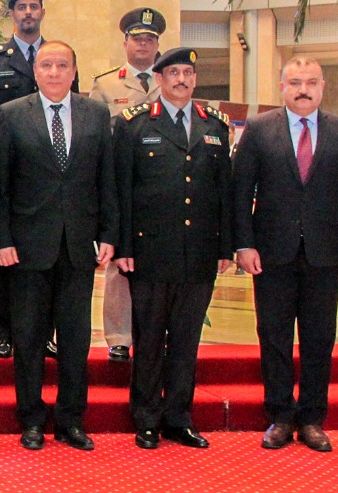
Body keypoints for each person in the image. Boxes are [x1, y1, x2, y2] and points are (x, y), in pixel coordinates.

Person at [231, 56, 338, 453]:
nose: (303, 88)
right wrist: (243, 244)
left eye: (310, 82)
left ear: (323, 86)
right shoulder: (259, 129)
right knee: (273, 337)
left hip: (326, 254)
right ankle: (279, 416)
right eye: (295, 82)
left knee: (318, 339)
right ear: (282, 87)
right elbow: (241, 191)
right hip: (271, 252)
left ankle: (311, 418)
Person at [0, 41, 116, 452]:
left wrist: (110, 235)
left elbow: (107, 181)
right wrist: (2, 239)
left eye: (63, 65)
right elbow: (0, 186)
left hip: (80, 247)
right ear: (36, 71)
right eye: (47, 65)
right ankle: (31, 419)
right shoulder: (12, 114)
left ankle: (71, 420)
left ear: (74, 70)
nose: (55, 72)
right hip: (27, 247)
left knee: (76, 339)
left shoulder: (95, 113)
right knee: (28, 338)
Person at [111, 47, 230, 450]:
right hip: (149, 251)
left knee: (185, 340)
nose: (181, 79)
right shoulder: (133, 124)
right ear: (159, 79)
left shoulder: (214, 125)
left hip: (198, 252)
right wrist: (123, 244)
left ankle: (179, 417)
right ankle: (145, 418)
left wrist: (225, 247)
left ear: (195, 79)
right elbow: (120, 192)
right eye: (173, 72)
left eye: (188, 73)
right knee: (148, 340)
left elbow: (223, 193)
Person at [0, 0, 72, 358]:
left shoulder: (58, 57)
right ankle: (4, 331)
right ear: (11, 14)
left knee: (47, 260)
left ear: (42, 11)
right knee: (5, 252)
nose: (28, 12)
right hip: (7, 169)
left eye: (34, 6)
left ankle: (44, 332)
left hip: (51, 173)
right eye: (21, 7)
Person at [90, 8, 168, 363]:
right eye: (137, 38)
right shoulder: (106, 85)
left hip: (162, 189)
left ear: (157, 45)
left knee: (160, 265)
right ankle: (120, 336)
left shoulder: (170, 79)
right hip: (122, 186)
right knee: (119, 264)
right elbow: (94, 138)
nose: (143, 44)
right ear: (125, 43)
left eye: (150, 39)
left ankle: (156, 333)